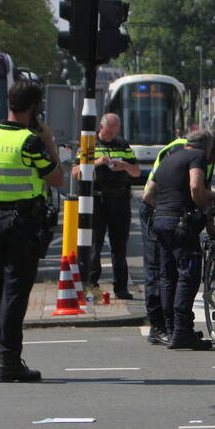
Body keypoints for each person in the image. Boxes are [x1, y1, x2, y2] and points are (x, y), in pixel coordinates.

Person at [0, 80, 63, 383]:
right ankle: (9, 360)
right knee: (15, 294)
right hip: (21, 223)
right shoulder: (30, 142)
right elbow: (57, 179)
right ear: (34, 107)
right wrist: (49, 141)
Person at [143, 131, 214, 350]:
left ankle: (172, 328)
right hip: (181, 224)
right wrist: (204, 210)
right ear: (205, 146)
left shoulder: (167, 159)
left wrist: (165, 210)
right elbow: (195, 187)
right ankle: (183, 330)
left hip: (160, 222)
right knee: (188, 274)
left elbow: (148, 195)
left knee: (168, 275)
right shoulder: (197, 156)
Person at [73, 113, 139, 299]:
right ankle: (91, 285)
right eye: (108, 131)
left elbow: (136, 172)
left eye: (114, 131)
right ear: (101, 127)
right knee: (95, 245)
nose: (111, 135)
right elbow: (75, 172)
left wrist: (124, 166)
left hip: (120, 201)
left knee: (120, 247)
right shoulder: (89, 143)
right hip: (97, 201)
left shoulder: (123, 144)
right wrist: (95, 163)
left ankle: (121, 288)